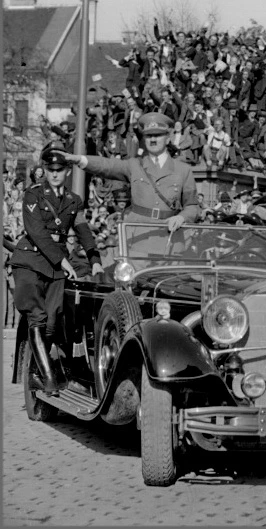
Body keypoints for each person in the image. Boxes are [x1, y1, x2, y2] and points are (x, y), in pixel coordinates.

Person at [9, 150, 103, 396]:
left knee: (52, 321)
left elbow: (82, 229)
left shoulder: (74, 200)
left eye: (59, 170)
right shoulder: (34, 194)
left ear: (67, 172)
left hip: (55, 266)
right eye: (50, 170)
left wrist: (94, 258)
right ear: (45, 171)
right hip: (30, 260)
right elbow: (37, 232)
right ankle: (48, 378)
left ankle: (34, 373)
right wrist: (63, 261)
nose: (54, 174)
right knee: (38, 317)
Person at [57, 112, 199, 231]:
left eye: (158, 135)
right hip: (138, 237)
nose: (153, 140)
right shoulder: (135, 165)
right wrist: (80, 159)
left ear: (168, 138)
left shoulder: (183, 170)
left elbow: (192, 206)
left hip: (171, 237)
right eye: (149, 136)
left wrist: (182, 217)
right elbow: (108, 165)